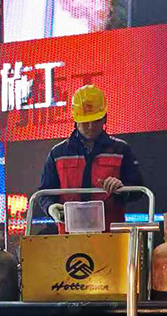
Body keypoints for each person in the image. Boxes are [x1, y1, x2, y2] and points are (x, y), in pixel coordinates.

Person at [38, 84, 142, 231]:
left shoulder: (121, 150)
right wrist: (51, 207)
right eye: (85, 122)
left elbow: (138, 190)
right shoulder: (58, 153)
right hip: (69, 236)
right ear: (75, 120)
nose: (91, 126)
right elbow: (45, 193)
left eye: (96, 120)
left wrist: (121, 188)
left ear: (105, 118)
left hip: (111, 235)